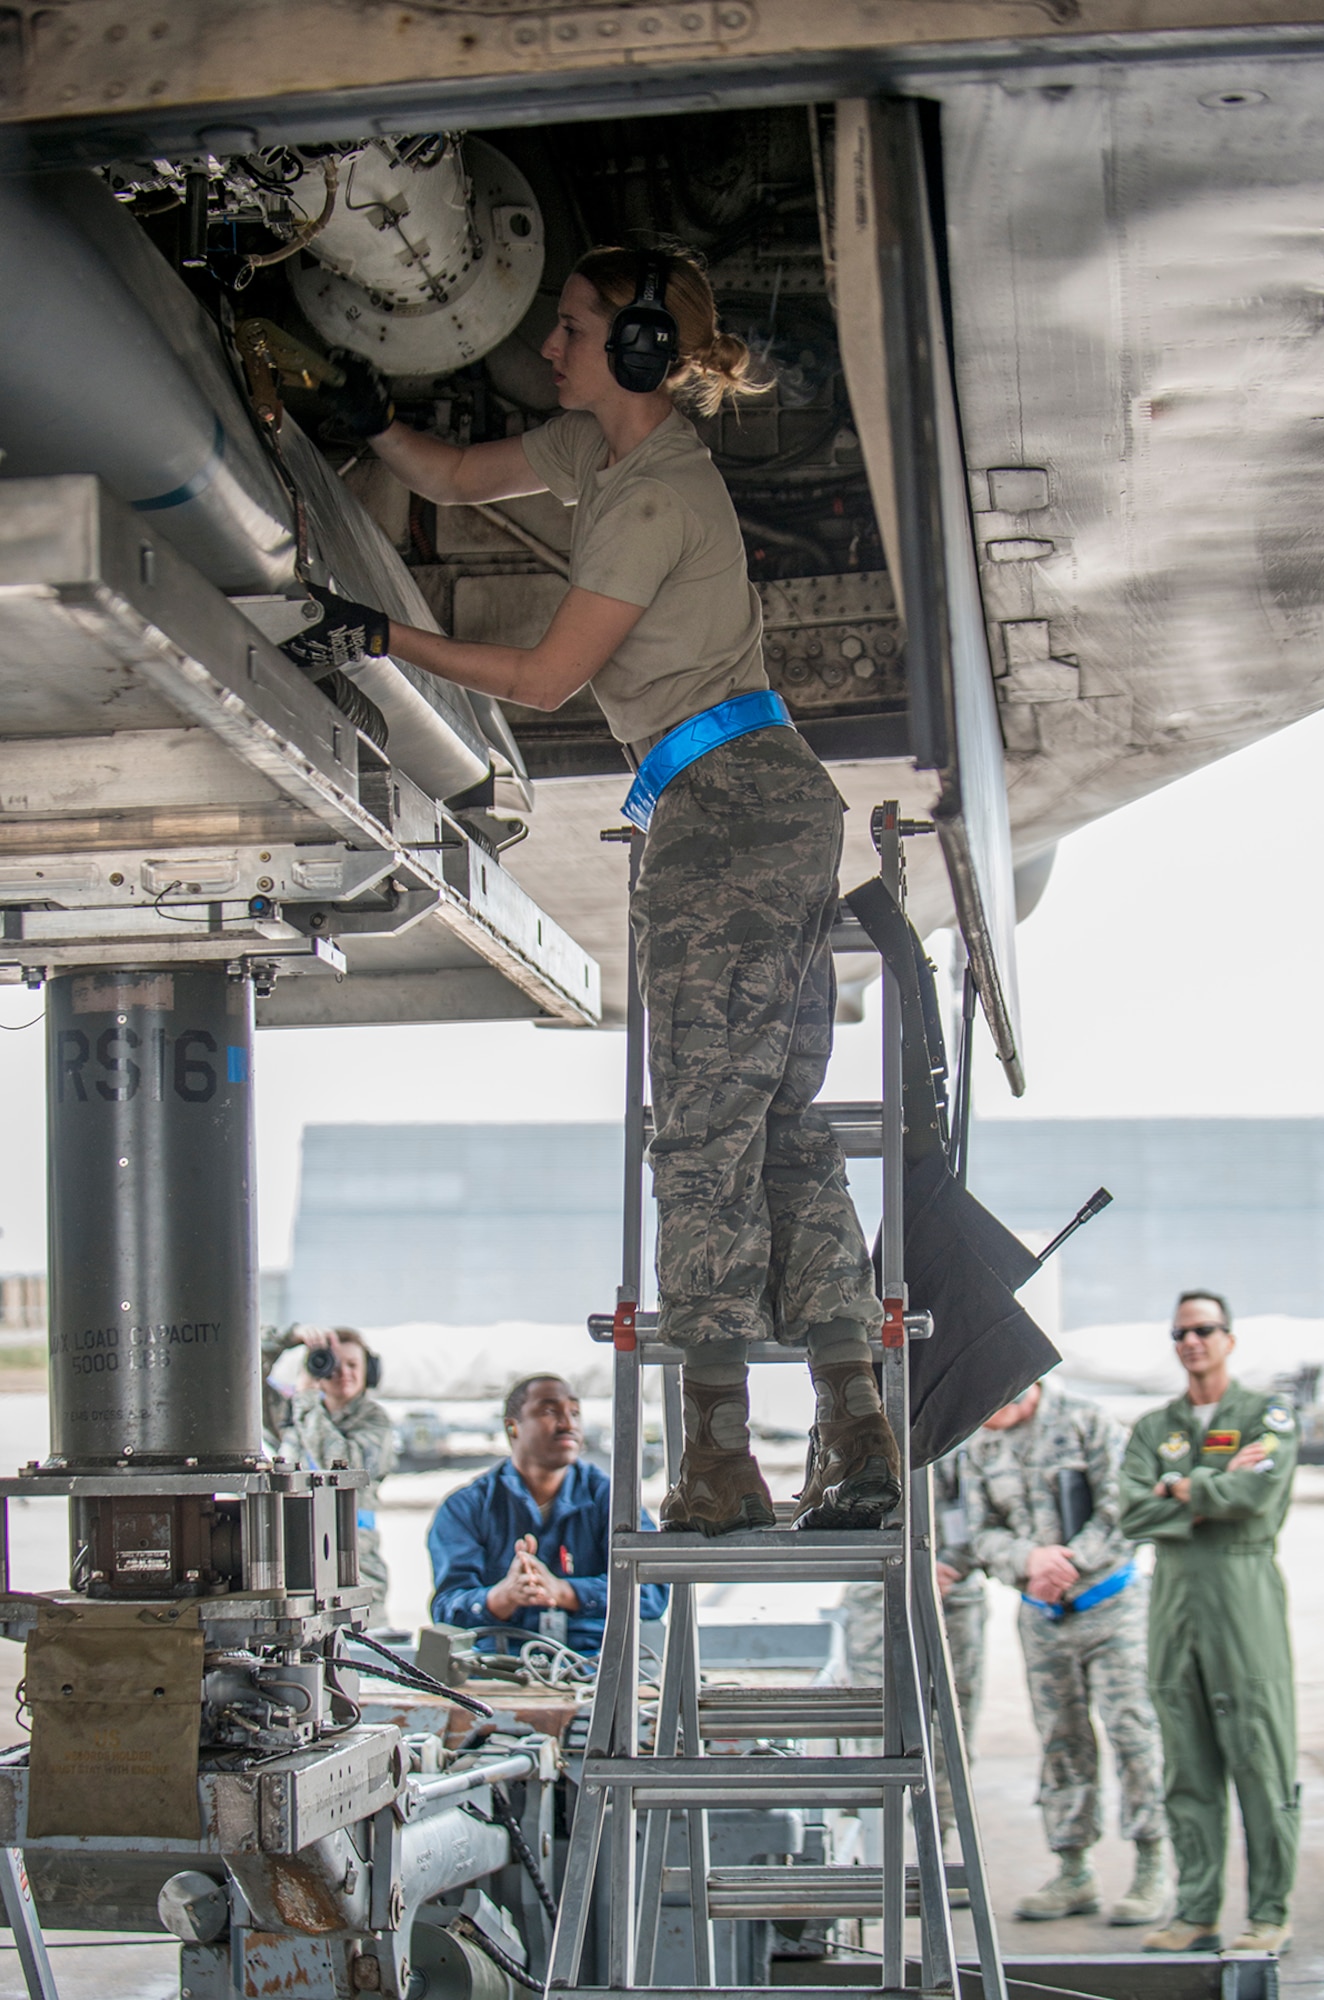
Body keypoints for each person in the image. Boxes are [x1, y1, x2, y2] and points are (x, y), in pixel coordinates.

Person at [291, 245, 898, 1538]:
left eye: (569, 329)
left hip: (724, 811)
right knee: (777, 1128)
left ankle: (721, 1458)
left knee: (698, 1139)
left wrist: (376, 631)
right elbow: (458, 475)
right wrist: (374, 427)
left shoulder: (649, 496)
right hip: (767, 804)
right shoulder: (600, 454)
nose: (548, 349)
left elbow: (543, 680)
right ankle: (854, 1435)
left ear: (632, 347)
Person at [1120, 1291, 1300, 1958]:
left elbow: (1256, 1500)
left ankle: (1268, 1913)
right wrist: (1205, 1483)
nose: (1191, 1341)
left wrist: (1177, 1487)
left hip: (1241, 1598)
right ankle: (1194, 1912)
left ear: (1227, 1337)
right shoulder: (1152, 1426)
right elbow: (1129, 1513)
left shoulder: (1265, 1416)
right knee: (1186, 1767)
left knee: (1259, 1757)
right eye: (1180, 1332)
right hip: (1172, 1603)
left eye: (1203, 1329)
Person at [966, 1378, 1167, 1926]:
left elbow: (1125, 1507)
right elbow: (979, 1533)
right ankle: (1073, 1869)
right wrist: (1026, 1560)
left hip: (1112, 1610)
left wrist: (1067, 1563)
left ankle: (1153, 1865)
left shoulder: (1089, 1423)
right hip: (1043, 1620)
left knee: (1132, 1731)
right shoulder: (979, 1445)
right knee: (1061, 1740)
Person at [427, 1374, 667, 1657]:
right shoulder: (465, 1507)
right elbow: (446, 1607)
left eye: (574, 1412)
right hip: (499, 1668)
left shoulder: (614, 1502)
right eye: (550, 1411)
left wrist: (565, 1591)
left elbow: (653, 1592)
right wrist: (500, 1598)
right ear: (512, 1428)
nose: (568, 1424)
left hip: (598, 1668)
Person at [842, 1448, 989, 1845]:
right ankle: (879, 1846)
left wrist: (944, 1566)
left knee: (950, 1724)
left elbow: (990, 1510)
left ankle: (940, 1841)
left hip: (953, 1590)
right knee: (878, 1719)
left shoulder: (959, 1429)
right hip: (877, 1590)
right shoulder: (855, 1419)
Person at [262, 1323, 396, 1627]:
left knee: (362, 1654)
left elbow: (343, 1466)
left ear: (368, 1372)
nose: (343, 1373)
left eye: (353, 1365)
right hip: (292, 1559)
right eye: (333, 1364)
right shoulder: (290, 1413)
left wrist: (307, 1400)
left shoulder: (374, 1421)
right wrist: (289, 1336)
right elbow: (240, 1369)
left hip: (354, 1565)